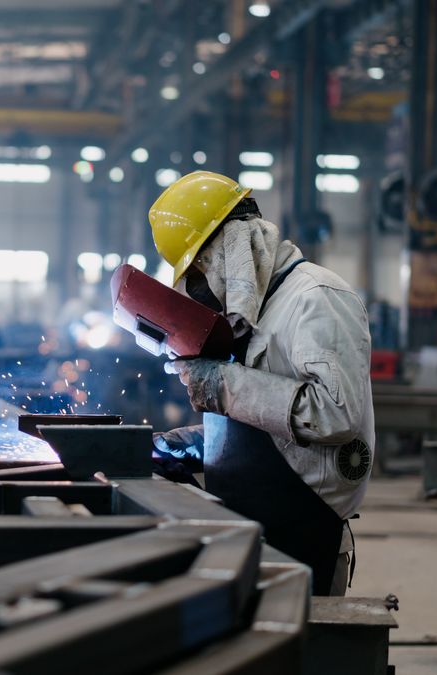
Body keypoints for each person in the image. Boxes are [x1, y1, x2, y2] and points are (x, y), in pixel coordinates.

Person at [149, 171, 374, 596]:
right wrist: (195, 442)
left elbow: (334, 415)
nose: (199, 283)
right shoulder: (259, 311)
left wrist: (221, 384)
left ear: (232, 246)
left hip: (307, 530)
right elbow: (272, 427)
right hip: (255, 521)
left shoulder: (316, 296)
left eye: (200, 266)